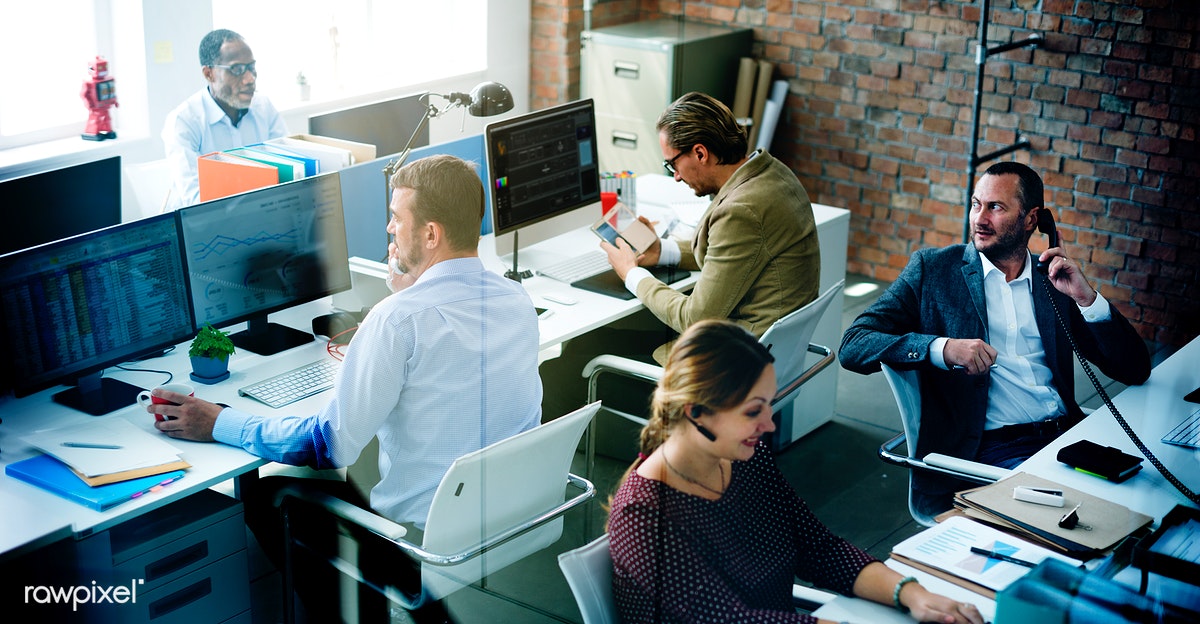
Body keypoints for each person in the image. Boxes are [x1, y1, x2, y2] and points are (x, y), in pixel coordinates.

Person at [148, 154, 542, 622]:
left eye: (397, 219)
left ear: (431, 234)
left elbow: (328, 444)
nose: (391, 230)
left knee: (268, 491)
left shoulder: (398, 321)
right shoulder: (515, 298)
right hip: (505, 521)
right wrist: (410, 294)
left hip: (420, 540)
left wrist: (219, 421)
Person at [607, 320, 984, 624]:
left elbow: (820, 549)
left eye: (768, 406)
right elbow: (727, 618)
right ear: (696, 412)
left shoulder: (744, 459)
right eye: (753, 411)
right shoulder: (643, 515)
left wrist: (913, 594)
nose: (769, 424)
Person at [839, 161, 1151, 516]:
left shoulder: (1053, 280)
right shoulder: (935, 270)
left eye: (996, 207)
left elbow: (1135, 369)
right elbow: (854, 344)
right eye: (976, 204)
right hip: (993, 448)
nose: (980, 219)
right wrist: (942, 348)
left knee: (1144, 506)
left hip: (1068, 438)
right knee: (1085, 523)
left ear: (1032, 220)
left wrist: (1087, 299)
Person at [601, 91, 821, 364]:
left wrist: (631, 274)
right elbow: (732, 253)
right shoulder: (773, 173)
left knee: (575, 359)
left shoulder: (740, 210)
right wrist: (662, 250)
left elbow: (695, 318)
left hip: (728, 366)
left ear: (700, 152)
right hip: (766, 347)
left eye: (673, 164)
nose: (677, 177)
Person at [162, 29, 288, 210]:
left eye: (251, 67)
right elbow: (195, 201)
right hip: (202, 226)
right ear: (209, 74)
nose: (249, 79)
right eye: (237, 70)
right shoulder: (183, 121)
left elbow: (291, 171)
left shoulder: (263, 107)